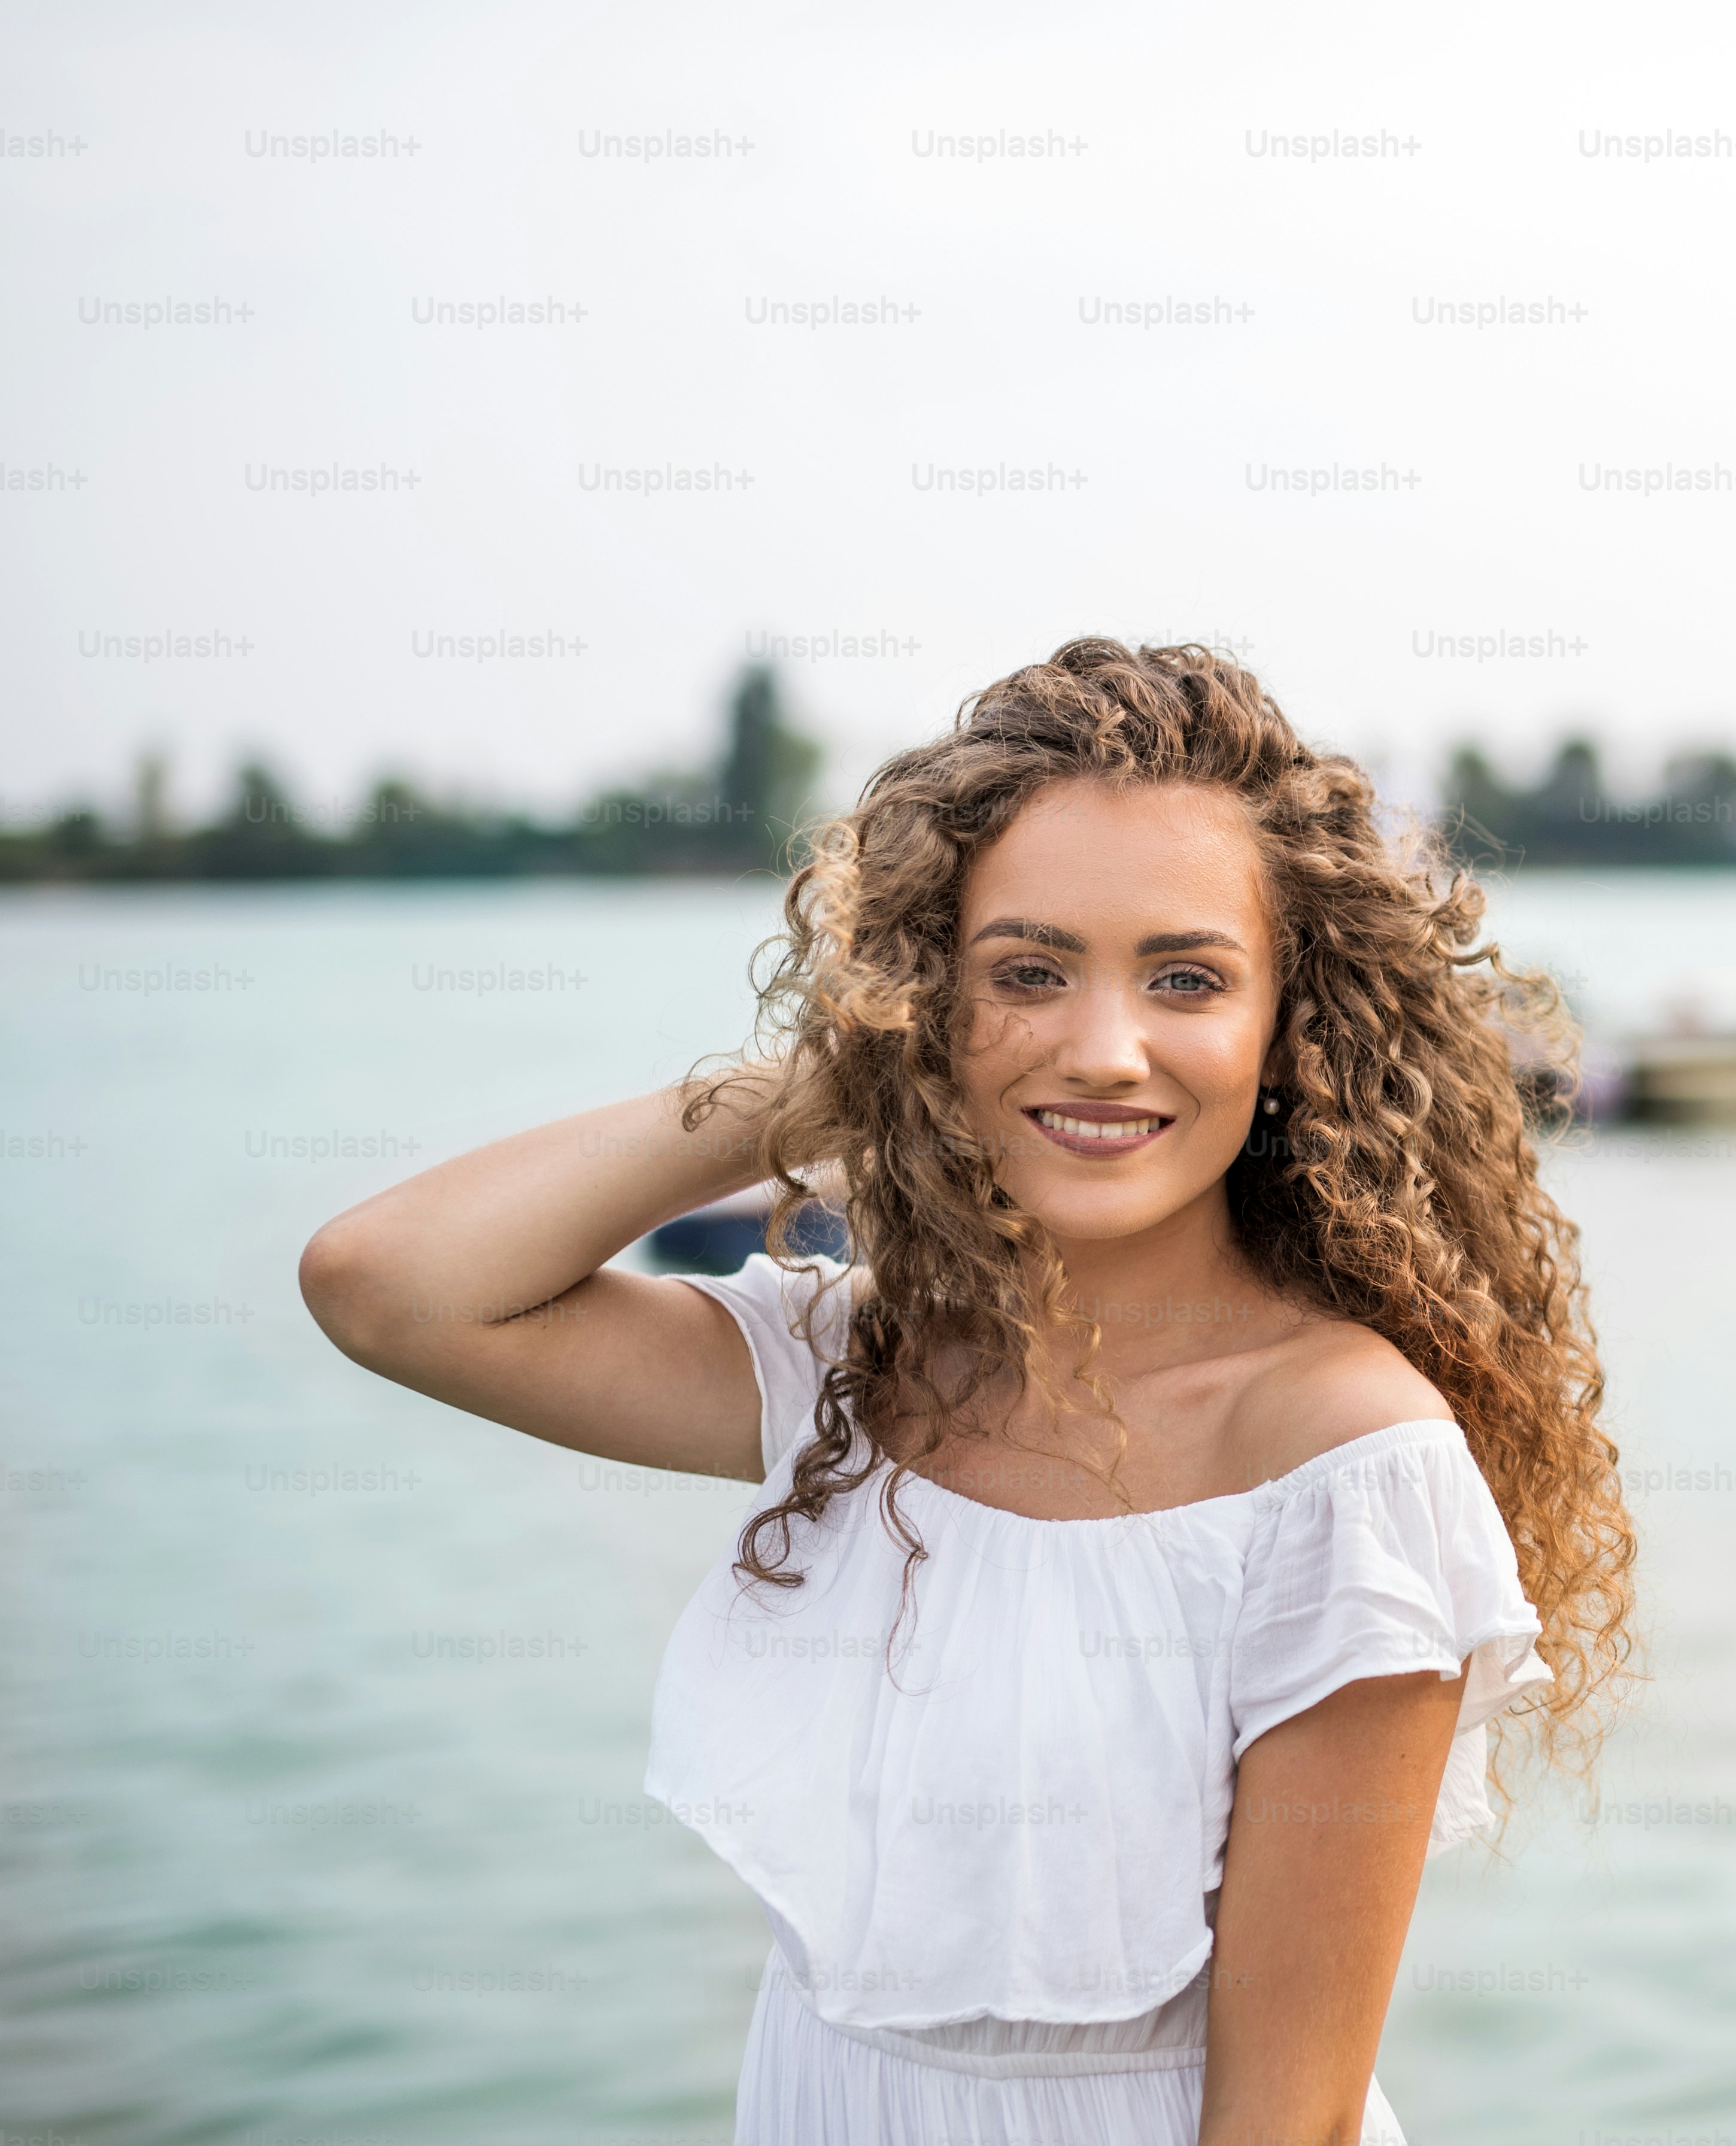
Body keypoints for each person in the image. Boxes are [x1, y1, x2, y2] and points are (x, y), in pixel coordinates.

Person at [299, 640, 1637, 2144]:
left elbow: (1290, 2124)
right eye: (1027, 972)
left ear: (1288, 1031)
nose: (1105, 1050)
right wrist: (830, 1083)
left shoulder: (1343, 1459)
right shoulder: (853, 1363)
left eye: (1187, 978)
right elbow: (388, 1285)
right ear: (927, 1000)